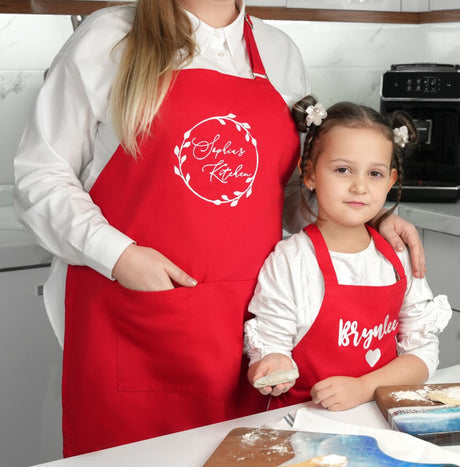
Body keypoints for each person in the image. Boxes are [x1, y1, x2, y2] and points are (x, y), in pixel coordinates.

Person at [13, 0, 425, 458]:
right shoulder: (109, 36)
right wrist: (119, 255)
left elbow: (287, 195)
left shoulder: (278, 51)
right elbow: (40, 175)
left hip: (252, 336)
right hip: (134, 324)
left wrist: (368, 216)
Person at [244, 95, 452, 411]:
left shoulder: (397, 257)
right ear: (309, 174)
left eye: (375, 174)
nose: (359, 187)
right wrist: (272, 362)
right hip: (305, 421)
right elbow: (272, 342)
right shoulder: (292, 260)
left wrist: (364, 388)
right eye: (343, 170)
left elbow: (423, 353)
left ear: (391, 181)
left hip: (383, 415)